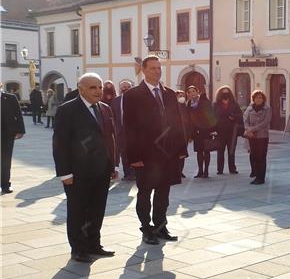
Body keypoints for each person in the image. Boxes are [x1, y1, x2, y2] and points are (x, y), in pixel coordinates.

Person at [52, 73, 118, 262]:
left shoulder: (105, 109)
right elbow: (60, 143)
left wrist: (112, 165)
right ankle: (78, 248)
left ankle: (94, 244)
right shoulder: (68, 110)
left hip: (101, 171)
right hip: (77, 172)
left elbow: (110, 139)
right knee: (78, 211)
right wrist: (64, 173)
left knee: (97, 209)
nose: (98, 91)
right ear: (81, 89)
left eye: (100, 87)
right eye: (92, 88)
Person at [124, 56, 188, 245]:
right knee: (145, 193)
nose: (157, 71)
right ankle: (146, 229)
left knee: (163, 193)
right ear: (143, 70)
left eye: (159, 68)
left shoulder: (168, 93)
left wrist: (181, 148)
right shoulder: (133, 95)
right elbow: (129, 127)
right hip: (145, 155)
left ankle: (161, 226)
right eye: (153, 68)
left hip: (167, 154)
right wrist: (133, 156)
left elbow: (178, 122)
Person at [243, 90, 271, 185]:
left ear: (263, 99)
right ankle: (256, 174)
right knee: (254, 156)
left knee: (261, 157)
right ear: (253, 99)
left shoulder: (267, 109)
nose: (259, 99)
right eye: (257, 97)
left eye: (260, 97)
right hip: (252, 136)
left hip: (262, 136)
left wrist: (253, 129)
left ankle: (261, 177)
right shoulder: (250, 108)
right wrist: (248, 129)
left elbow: (266, 122)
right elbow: (245, 120)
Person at [187, 86, 216, 178]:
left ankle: (206, 171)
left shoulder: (204, 102)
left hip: (205, 130)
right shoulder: (189, 104)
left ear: (197, 92)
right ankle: (200, 171)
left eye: (194, 91)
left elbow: (211, 115)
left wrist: (212, 130)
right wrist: (190, 134)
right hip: (196, 131)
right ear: (188, 94)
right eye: (190, 92)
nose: (192, 93)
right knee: (199, 151)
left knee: (206, 150)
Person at [1, 88, 26, 194]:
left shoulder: (11, 98)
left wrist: (21, 130)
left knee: (6, 160)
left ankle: (5, 184)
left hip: (7, 134)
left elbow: (18, 114)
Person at [213, 85, 242, 174]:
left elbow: (240, 115)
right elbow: (212, 117)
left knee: (231, 150)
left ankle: (232, 168)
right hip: (220, 131)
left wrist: (234, 117)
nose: (225, 94)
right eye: (223, 92)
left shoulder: (234, 104)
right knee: (220, 150)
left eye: (227, 92)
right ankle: (220, 169)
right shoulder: (215, 104)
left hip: (232, 131)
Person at [110, 80, 134, 180]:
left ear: (131, 87)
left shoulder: (136, 100)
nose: (125, 88)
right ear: (120, 88)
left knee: (133, 152)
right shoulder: (115, 101)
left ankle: (135, 173)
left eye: (127, 86)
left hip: (133, 132)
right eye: (123, 86)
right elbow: (113, 116)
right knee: (124, 153)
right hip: (120, 132)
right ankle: (127, 173)